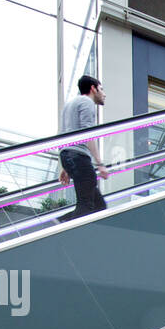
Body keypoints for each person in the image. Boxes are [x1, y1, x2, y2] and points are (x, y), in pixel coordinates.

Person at [58, 75, 109, 221]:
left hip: (69, 155)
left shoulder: (69, 104)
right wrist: (100, 164)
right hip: (80, 157)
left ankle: (60, 222)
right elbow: (88, 134)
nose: (104, 94)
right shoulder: (87, 102)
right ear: (93, 88)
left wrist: (65, 165)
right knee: (87, 205)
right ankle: (60, 226)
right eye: (102, 89)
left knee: (99, 206)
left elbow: (62, 135)